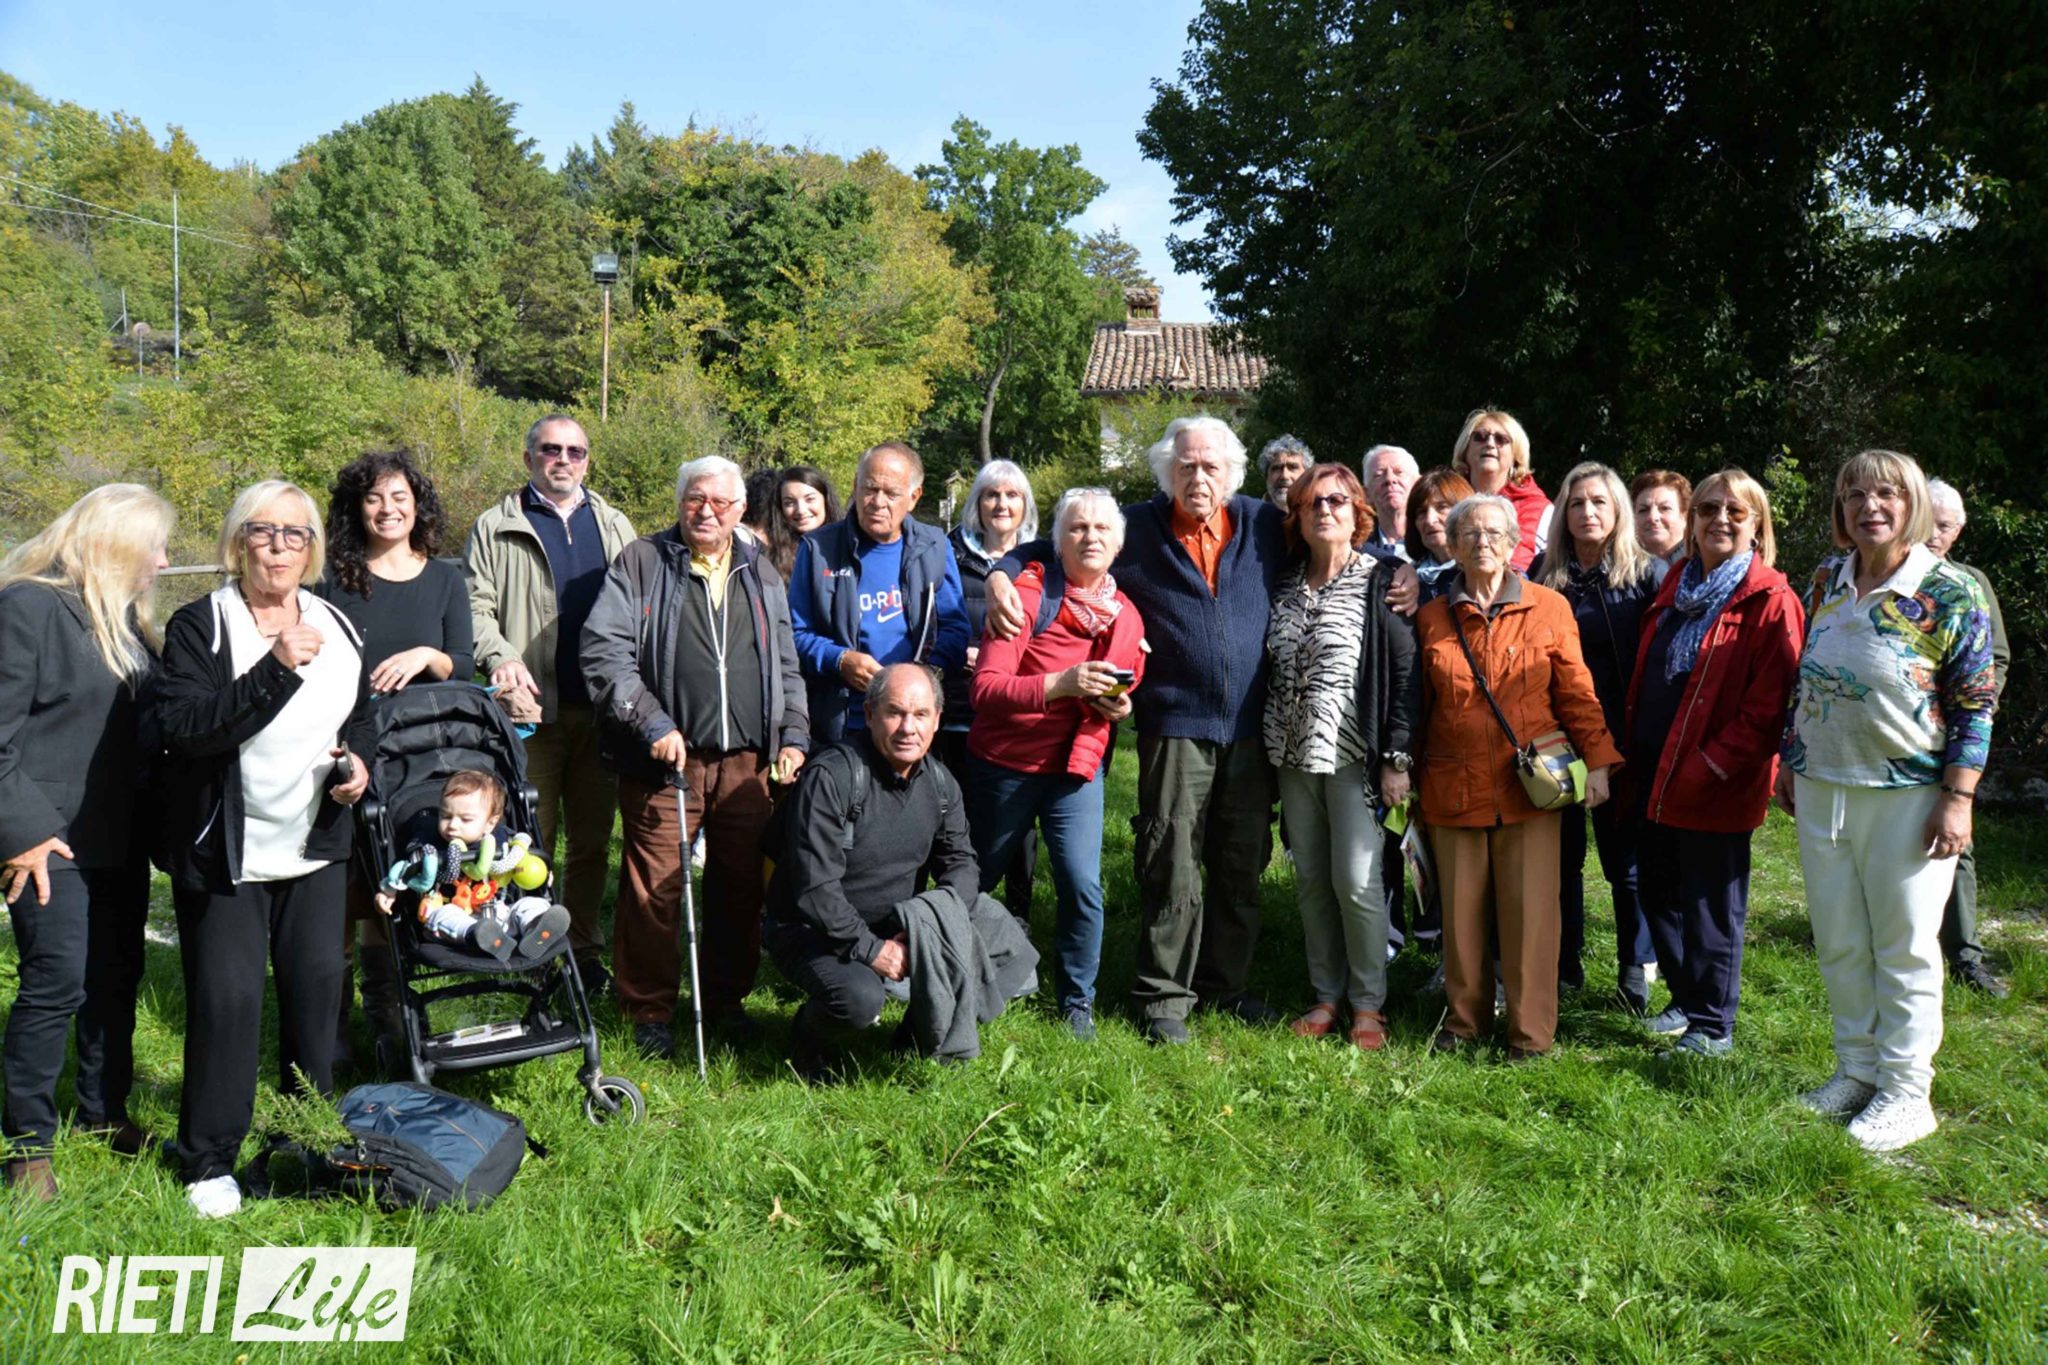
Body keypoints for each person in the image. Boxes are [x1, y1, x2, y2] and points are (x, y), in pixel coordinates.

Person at [985, 416, 1288, 1044]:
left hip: (1250, 727)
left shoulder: (1264, 524)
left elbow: (1337, 539)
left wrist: (1397, 575)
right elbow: (1059, 542)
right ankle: (1163, 998)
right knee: (1171, 860)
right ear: (1166, 471)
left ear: (1231, 473)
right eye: (1185, 465)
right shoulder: (1138, 527)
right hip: (1175, 724)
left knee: (1240, 863)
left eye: (1210, 466)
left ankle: (1224, 985)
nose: (1197, 477)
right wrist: (999, 573)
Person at [155, 481, 371, 1218]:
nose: (279, 547)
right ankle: (209, 1158)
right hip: (229, 848)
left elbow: (361, 715)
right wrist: (275, 666)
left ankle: (305, 1140)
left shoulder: (337, 619)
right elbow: (187, 729)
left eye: (295, 534)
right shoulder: (202, 624)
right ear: (237, 541)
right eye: (263, 531)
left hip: (315, 843)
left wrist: (359, 767)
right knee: (229, 1002)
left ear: (312, 548)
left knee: (316, 994)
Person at [1779, 450, 1995, 1152]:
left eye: (1885, 494)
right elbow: (1805, 674)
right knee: (1840, 939)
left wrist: (1958, 798)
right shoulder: (1826, 577)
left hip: (1911, 794)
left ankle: (1907, 1092)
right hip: (1823, 783)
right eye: (1854, 495)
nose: (1869, 506)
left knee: (1902, 946)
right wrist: (1791, 755)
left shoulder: (1950, 590)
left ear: (1913, 505)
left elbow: (1975, 703)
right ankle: (1857, 1069)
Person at [582, 456, 810, 1057]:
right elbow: (604, 652)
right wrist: (650, 722)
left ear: (740, 510)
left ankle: (725, 1002)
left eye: (720, 502)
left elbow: (786, 663)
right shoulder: (642, 561)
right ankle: (647, 1009)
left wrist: (794, 734)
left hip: (749, 763)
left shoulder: (761, 570)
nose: (706, 512)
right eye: (695, 499)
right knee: (654, 889)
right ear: (679, 501)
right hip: (665, 759)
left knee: (740, 888)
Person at [0, 486, 174, 1202]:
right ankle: (27, 1148)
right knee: (55, 983)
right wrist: (23, 834)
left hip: (118, 836)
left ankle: (105, 1112)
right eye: (156, 546)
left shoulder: (125, 622)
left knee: (115, 978)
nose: (165, 561)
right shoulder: (28, 608)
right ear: (117, 544)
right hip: (48, 839)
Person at [1414, 493, 1620, 1060]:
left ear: (1513, 544)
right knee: (1460, 918)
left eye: (1494, 533)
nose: (1482, 542)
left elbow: (1577, 693)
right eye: (1470, 533)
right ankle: (1464, 1023)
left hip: (1530, 790)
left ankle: (1531, 1037)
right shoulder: (1430, 618)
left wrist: (1599, 761)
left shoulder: (1549, 608)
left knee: (1531, 918)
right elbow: (1418, 707)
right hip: (1452, 785)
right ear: (1453, 547)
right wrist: (1405, 774)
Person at [1626, 469, 1804, 1056]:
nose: (1719, 520)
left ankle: (1712, 1024)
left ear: (1757, 525)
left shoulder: (1770, 599)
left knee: (1710, 905)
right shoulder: (1676, 584)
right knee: (1659, 891)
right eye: (1707, 509)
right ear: (1693, 520)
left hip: (1715, 774)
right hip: (1655, 765)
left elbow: (1769, 705)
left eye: (1735, 511)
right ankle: (1684, 998)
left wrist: (1711, 765)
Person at [965, 489, 1146, 1041]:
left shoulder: (1126, 616)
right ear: (1058, 542)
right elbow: (985, 689)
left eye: (1102, 529)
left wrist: (1120, 705)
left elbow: (1126, 687)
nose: (1090, 537)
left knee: (1082, 885)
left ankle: (1076, 1000)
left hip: (1075, 769)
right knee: (973, 879)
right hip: (1006, 765)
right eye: (1078, 528)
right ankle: (949, 973)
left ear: (1118, 545)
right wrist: (1060, 684)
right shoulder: (1026, 597)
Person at [464, 413, 636, 992]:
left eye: (575, 451)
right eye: (550, 449)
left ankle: (582, 950)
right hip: (529, 712)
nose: (563, 460)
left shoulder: (614, 525)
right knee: (524, 842)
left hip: (601, 711)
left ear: (587, 460)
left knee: (590, 843)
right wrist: (500, 656)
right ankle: (528, 951)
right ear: (529, 457)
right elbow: (474, 608)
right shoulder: (495, 526)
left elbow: (639, 608)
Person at [317, 448, 475, 1069]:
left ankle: (387, 1019)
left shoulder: (445, 580)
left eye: (399, 497)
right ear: (357, 508)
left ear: (418, 506)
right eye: (374, 498)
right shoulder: (334, 581)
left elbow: (464, 664)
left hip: (419, 758)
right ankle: (330, 1028)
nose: (388, 509)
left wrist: (425, 656)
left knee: (394, 882)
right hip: (344, 749)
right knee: (341, 887)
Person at [763, 665, 994, 1077]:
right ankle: (806, 1038)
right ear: (869, 714)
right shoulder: (832, 776)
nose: (908, 728)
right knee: (859, 999)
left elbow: (961, 863)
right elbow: (815, 889)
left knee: (996, 942)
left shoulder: (942, 785)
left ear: (937, 720)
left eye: (920, 715)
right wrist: (874, 951)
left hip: (893, 925)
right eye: (895, 713)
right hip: (809, 928)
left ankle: (913, 1040)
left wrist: (934, 927)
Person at [1263, 465, 1419, 1050]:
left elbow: (1405, 674)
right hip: (1290, 754)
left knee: (1356, 881)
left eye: (1336, 501)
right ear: (1298, 518)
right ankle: (1326, 995)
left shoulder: (1384, 581)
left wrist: (1397, 757)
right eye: (1311, 503)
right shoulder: (1282, 582)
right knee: (1310, 881)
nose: (1324, 510)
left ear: (1358, 514)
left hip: (1355, 755)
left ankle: (1369, 1003)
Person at [1532, 463, 1658, 1010]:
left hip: (1623, 739)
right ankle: (1566, 964)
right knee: (1561, 861)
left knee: (1624, 864)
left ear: (1617, 510)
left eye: (1599, 502)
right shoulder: (1544, 574)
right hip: (1555, 741)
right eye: (1577, 503)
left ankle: (1635, 966)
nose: (1587, 512)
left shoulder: (1645, 575)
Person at [787, 441, 969, 744]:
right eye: (870, 489)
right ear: (855, 486)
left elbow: (955, 627)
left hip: (912, 728)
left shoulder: (935, 546)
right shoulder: (818, 548)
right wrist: (840, 660)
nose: (877, 502)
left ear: (914, 497)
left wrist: (927, 673)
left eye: (891, 493)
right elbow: (795, 633)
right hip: (841, 722)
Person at [941, 459, 1040, 916]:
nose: (1002, 504)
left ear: (1025, 505)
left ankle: (1018, 919)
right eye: (991, 495)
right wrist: (957, 651)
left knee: (1018, 824)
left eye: (1012, 495)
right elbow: (929, 617)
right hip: (957, 708)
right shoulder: (946, 554)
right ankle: (947, 915)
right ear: (976, 503)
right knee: (949, 819)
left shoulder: (1041, 559)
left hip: (1016, 714)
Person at [1925, 478, 2011, 998]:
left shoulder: (1970, 581)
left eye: (1945, 525)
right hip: (1890, 738)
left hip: (1956, 734)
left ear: (1958, 531)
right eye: (1927, 521)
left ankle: (1963, 956)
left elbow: (1995, 658)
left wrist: (1975, 709)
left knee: (1956, 841)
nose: (1933, 534)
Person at [376, 770, 568, 960]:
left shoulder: (503, 841)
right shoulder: (430, 845)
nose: (452, 825)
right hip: (454, 922)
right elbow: (405, 870)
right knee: (444, 915)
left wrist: (542, 873)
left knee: (530, 905)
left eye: (465, 819)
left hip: (500, 913)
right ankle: (477, 936)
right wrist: (388, 892)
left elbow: (526, 863)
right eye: (445, 816)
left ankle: (536, 928)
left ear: (490, 823)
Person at [1451, 408, 1552, 574]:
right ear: (1465, 451)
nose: (1490, 444)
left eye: (1501, 439)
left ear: (1515, 456)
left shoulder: (1542, 511)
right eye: (1480, 437)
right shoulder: (1445, 503)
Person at [764, 464, 840, 583]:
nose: (801, 510)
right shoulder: (768, 558)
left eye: (810, 499)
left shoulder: (848, 546)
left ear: (825, 500)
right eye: (789, 503)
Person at [1361, 444, 1420, 562]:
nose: (1390, 479)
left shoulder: (1433, 542)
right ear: (1366, 494)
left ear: (1418, 485)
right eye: (1379, 475)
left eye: (1399, 472)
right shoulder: (1357, 548)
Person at [1631, 470, 1692, 567]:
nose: (1652, 517)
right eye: (1643, 510)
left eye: (1665, 508)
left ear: (1685, 517)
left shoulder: (1701, 566)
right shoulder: (1621, 570)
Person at [1258, 436, 1312, 510]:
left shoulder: (1320, 513)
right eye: (1277, 468)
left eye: (1293, 467)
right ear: (1266, 476)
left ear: (1307, 476)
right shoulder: (1248, 515)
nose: (1284, 476)